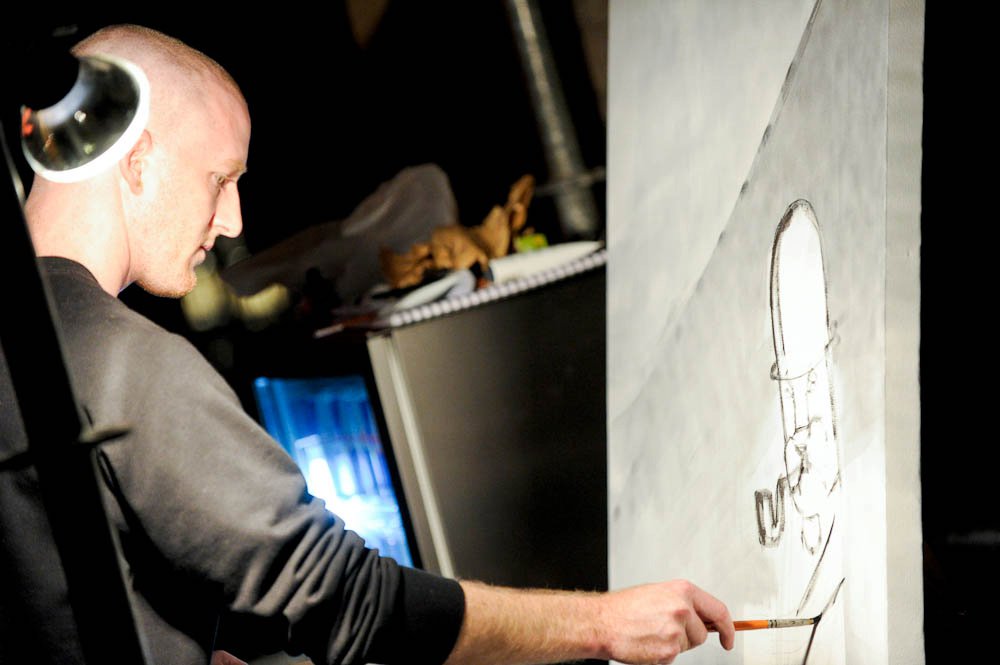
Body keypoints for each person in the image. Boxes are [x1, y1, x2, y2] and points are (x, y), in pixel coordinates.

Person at [0, 24, 735, 665]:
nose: (232, 220)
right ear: (137, 162)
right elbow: (345, 597)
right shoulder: (123, 363)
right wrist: (606, 624)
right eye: (220, 178)